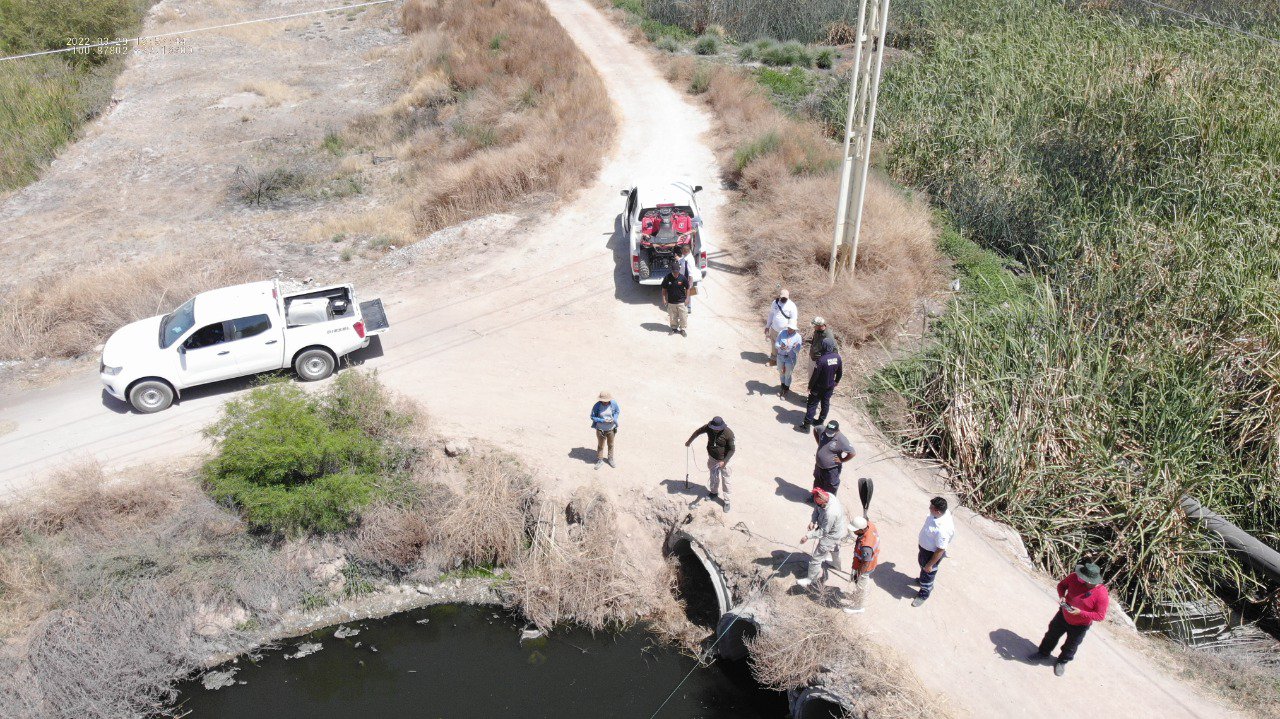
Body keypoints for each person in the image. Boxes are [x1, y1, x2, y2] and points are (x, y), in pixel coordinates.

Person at [1030, 562, 1110, 676]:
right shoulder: (1074, 577)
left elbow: (1100, 616)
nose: (1079, 579)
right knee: (1051, 635)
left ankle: (1062, 662)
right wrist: (1062, 596)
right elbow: (1061, 586)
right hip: (1063, 615)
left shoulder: (1101, 594)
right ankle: (1043, 653)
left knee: (1071, 646)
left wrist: (1080, 613)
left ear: (1091, 582)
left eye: (1083, 579)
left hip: (1080, 625)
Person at [797, 487, 847, 588]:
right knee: (835, 547)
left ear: (824, 502)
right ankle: (836, 565)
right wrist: (813, 520)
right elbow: (817, 508)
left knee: (816, 558)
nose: (818, 505)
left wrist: (807, 536)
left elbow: (824, 531)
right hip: (838, 529)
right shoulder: (827, 495)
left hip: (830, 535)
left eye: (819, 504)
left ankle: (811, 579)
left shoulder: (831, 513)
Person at [685, 416, 735, 512]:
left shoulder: (728, 433)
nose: (715, 431)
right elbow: (697, 432)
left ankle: (727, 501)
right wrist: (689, 441)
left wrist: (724, 461)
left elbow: (732, 449)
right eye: (714, 429)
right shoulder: (708, 428)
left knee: (726, 481)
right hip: (712, 459)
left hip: (725, 461)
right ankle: (714, 493)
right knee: (713, 477)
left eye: (717, 429)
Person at [913, 496, 955, 607]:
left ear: (937, 511)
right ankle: (923, 579)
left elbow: (940, 549)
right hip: (924, 549)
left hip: (931, 554)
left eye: (931, 507)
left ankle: (924, 593)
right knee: (923, 567)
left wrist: (930, 564)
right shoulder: (940, 513)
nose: (929, 508)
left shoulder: (942, 529)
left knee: (928, 573)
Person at [800, 337, 842, 431]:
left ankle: (806, 425)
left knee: (812, 404)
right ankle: (820, 422)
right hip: (830, 386)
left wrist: (810, 386)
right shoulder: (837, 357)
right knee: (825, 404)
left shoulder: (821, 360)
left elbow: (815, 375)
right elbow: (840, 372)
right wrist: (836, 381)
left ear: (823, 346)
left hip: (818, 387)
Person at [811, 420, 855, 495]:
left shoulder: (841, 439)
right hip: (819, 466)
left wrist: (842, 460)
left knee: (831, 486)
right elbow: (815, 429)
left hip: (832, 469)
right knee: (818, 482)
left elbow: (852, 453)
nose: (828, 433)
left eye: (831, 432)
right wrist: (819, 443)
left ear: (837, 430)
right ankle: (815, 497)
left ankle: (828, 503)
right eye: (828, 430)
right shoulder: (823, 429)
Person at [764, 290, 798, 365]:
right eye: (782, 297)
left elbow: (793, 319)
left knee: (784, 347)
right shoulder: (775, 303)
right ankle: (773, 360)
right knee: (774, 345)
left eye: (785, 298)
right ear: (779, 296)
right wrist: (767, 326)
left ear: (788, 297)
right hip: (774, 329)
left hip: (785, 331)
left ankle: (782, 363)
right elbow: (771, 314)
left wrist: (790, 331)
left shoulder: (792, 306)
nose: (783, 299)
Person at [589, 391, 619, 470]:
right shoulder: (597, 406)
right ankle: (600, 460)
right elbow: (592, 417)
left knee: (611, 445)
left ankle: (610, 458)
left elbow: (617, 411)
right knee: (600, 445)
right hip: (600, 429)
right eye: (603, 401)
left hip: (611, 429)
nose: (605, 402)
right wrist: (602, 420)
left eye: (607, 401)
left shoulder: (613, 403)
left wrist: (614, 418)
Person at [660, 263, 691, 336]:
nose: (675, 274)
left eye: (677, 272)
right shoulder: (667, 278)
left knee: (683, 316)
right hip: (671, 302)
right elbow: (664, 289)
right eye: (674, 272)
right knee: (673, 317)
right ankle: (674, 329)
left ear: (679, 271)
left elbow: (688, 288)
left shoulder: (683, 278)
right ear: (672, 271)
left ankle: (683, 329)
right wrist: (664, 298)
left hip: (681, 302)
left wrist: (687, 298)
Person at [849, 515, 880, 584]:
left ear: (861, 530)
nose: (853, 532)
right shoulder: (870, 525)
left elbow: (865, 563)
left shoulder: (866, 546)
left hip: (865, 568)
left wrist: (858, 575)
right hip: (864, 561)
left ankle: (860, 594)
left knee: (861, 583)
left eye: (855, 530)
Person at [774, 325, 802, 394]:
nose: (789, 329)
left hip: (790, 358)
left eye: (791, 328)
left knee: (787, 374)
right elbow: (776, 344)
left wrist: (795, 347)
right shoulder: (782, 332)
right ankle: (782, 387)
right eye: (789, 327)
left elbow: (797, 351)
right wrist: (780, 347)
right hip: (780, 356)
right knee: (781, 373)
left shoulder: (798, 337)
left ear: (794, 329)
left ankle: (785, 390)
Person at [677, 244, 700, 315]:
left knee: (685, 294)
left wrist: (689, 284)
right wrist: (678, 259)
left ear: (684, 251)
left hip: (686, 279)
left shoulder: (689, 260)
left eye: (682, 250)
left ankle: (686, 309)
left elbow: (690, 274)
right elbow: (682, 261)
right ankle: (687, 308)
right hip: (684, 278)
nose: (681, 251)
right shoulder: (686, 257)